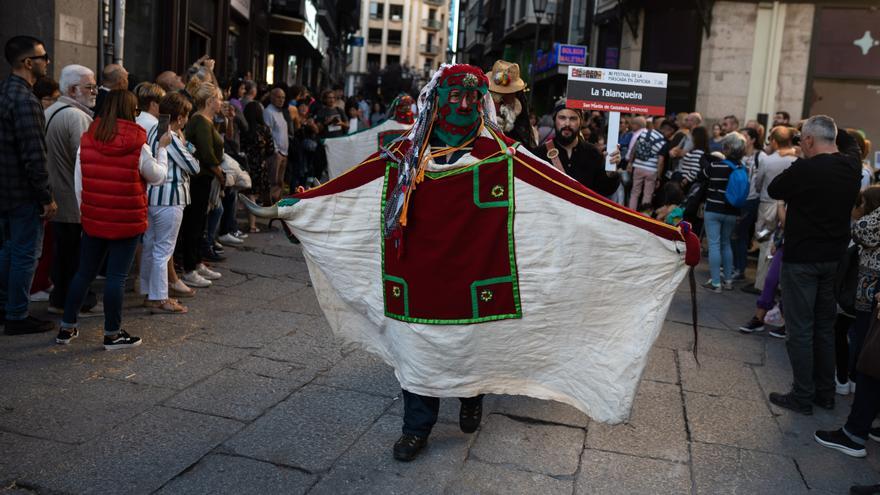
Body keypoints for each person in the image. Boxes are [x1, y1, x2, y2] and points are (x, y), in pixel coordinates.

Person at [240, 63, 702, 463]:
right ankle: (415, 429)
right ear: (436, 100)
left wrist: (658, 235)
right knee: (418, 352)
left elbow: (575, 200)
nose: (462, 103)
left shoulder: (505, 154)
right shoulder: (405, 156)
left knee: (473, 348)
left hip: (479, 277)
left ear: (482, 103)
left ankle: (472, 396)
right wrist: (301, 206)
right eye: (453, 94)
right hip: (415, 277)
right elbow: (352, 190)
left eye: (471, 96)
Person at [54, 89, 169, 349]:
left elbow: (78, 184)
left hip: (95, 218)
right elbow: (158, 176)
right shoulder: (138, 143)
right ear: (132, 111)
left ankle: (67, 328)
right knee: (116, 277)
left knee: (83, 273)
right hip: (127, 219)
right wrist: (162, 149)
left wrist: (87, 212)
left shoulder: (88, 138)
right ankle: (112, 334)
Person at [766, 115, 862, 415]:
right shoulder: (851, 166)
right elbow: (845, 140)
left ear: (808, 140)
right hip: (833, 258)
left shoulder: (805, 168)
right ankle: (825, 393)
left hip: (802, 260)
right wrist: (825, 129)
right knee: (824, 327)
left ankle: (802, 395)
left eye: (803, 138)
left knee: (800, 329)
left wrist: (802, 154)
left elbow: (775, 189)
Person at [0, 35, 57, 334]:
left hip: (7, 190)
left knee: (10, 250)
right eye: (43, 56)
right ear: (27, 62)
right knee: (24, 254)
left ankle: (7, 308)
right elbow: (34, 156)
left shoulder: (6, 93)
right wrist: (46, 197)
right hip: (22, 193)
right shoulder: (26, 101)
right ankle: (17, 316)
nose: (47, 61)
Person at [44, 64, 104, 317]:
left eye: (94, 87)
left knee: (64, 254)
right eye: (89, 87)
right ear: (71, 89)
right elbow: (87, 161)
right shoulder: (77, 117)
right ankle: (74, 302)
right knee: (75, 257)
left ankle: (60, 299)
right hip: (73, 199)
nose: (94, 92)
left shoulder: (50, 110)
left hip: (57, 194)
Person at [140, 93, 199, 314]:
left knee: (151, 245)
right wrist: (190, 150)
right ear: (181, 117)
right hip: (170, 198)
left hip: (153, 196)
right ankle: (160, 297)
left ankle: (148, 292)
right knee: (163, 249)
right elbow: (193, 166)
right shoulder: (170, 136)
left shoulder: (154, 130)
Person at [180, 82, 226, 288]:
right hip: (199, 178)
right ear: (210, 101)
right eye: (219, 98)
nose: (221, 102)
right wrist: (220, 173)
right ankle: (190, 267)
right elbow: (206, 153)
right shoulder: (200, 121)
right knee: (194, 222)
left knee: (200, 221)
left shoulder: (206, 120)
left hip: (203, 177)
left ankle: (196, 262)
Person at [533, 102, 619, 196]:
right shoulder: (539, 154)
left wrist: (610, 173)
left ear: (581, 122)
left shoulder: (593, 153)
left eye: (573, 119)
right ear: (554, 120)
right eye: (562, 118)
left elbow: (604, 192)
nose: (567, 124)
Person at [749, 126, 796, 291]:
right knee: (782, 243)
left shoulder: (767, 160)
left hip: (767, 202)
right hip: (788, 204)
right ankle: (777, 283)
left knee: (764, 241)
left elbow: (758, 182)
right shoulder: (795, 159)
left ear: (775, 141)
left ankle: (761, 284)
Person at [699, 132, 746, 293]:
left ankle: (716, 283)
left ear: (726, 148)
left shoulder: (716, 166)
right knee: (726, 244)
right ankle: (728, 281)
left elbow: (701, 176)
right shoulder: (742, 168)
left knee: (713, 245)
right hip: (732, 210)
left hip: (713, 209)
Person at [731, 127, 762, 281]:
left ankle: (740, 269)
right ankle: (735, 266)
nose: (741, 139)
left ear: (753, 140)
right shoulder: (739, 156)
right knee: (734, 234)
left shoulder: (760, 156)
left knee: (740, 235)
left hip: (751, 199)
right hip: (738, 199)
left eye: (744, 136)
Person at [486, 60, 536, 151]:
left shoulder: (525, 130)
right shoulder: (479, 124)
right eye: (495, 95)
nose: (500, 102)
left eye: (507, 95)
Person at [626, 116, 666, 212]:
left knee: (635, 192)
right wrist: (659, 177)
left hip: (638, 167)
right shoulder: (662, 140)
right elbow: (660, 161)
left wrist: (630, 163)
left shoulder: (644, 133)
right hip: (652, 170)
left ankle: (631, 212)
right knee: (648, 194)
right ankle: (644, 215)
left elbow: (634, 149)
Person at [264, 87, 289, 201]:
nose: (281, 100)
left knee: (279, 182)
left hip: (284, 152)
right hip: (276, 153)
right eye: (279, 97)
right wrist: (275, 151)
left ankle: (276, 206)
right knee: (273, 181)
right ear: (272, 97)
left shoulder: (280, 112)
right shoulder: (268, 112)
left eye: (283, 97)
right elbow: (268, 132)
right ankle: (269, 206)